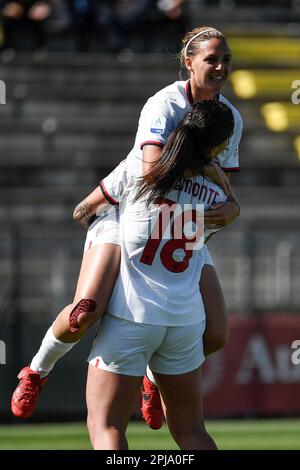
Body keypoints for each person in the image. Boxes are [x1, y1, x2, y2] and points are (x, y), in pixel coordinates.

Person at [11, 26, 242, 421]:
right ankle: (36, 370)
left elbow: (224, 184)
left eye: (226, 60)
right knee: (86, 312)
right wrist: (204, 169)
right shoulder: (165, 104)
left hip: (179, 220)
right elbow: (151, 172)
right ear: (189, 63)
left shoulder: (230, 117)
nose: (220, 67)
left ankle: (154, 373)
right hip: (128, 212)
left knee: (217, 334)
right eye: (211, 59)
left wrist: (232, 207)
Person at [86, 99, 235, 450]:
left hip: (132, 316)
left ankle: (38, 369)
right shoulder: (218, 194)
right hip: (184, 323)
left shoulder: (140, 167)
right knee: (192, 432)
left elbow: (85, 209)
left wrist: (106, 230)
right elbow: (207, 233)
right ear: (215, 149)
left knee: (106, 426)